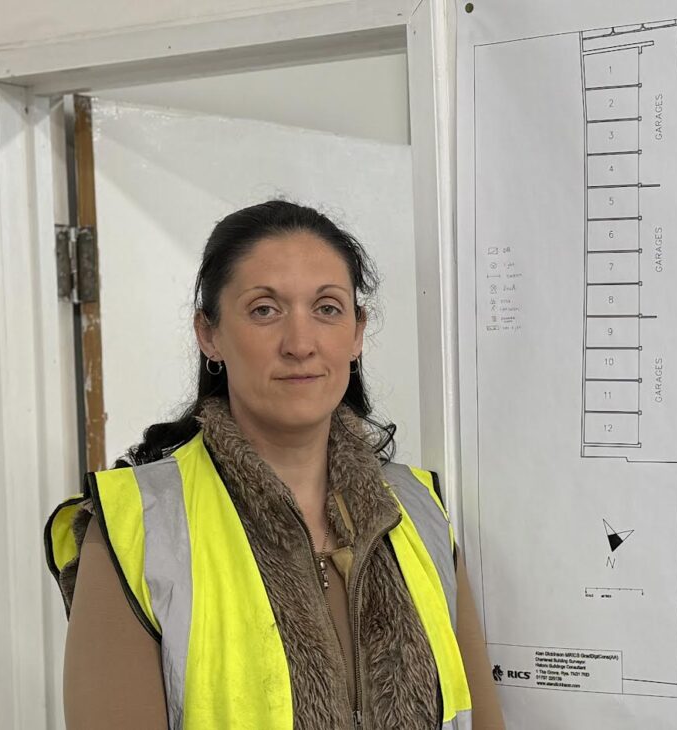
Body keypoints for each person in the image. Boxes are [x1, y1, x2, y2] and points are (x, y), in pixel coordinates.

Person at [44, 200, 505, 729]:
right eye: (265, 310)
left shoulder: (419, 511)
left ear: (356, 334)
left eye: (327, 308)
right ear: (209, 335)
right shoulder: (136, 529)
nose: (300, 344)